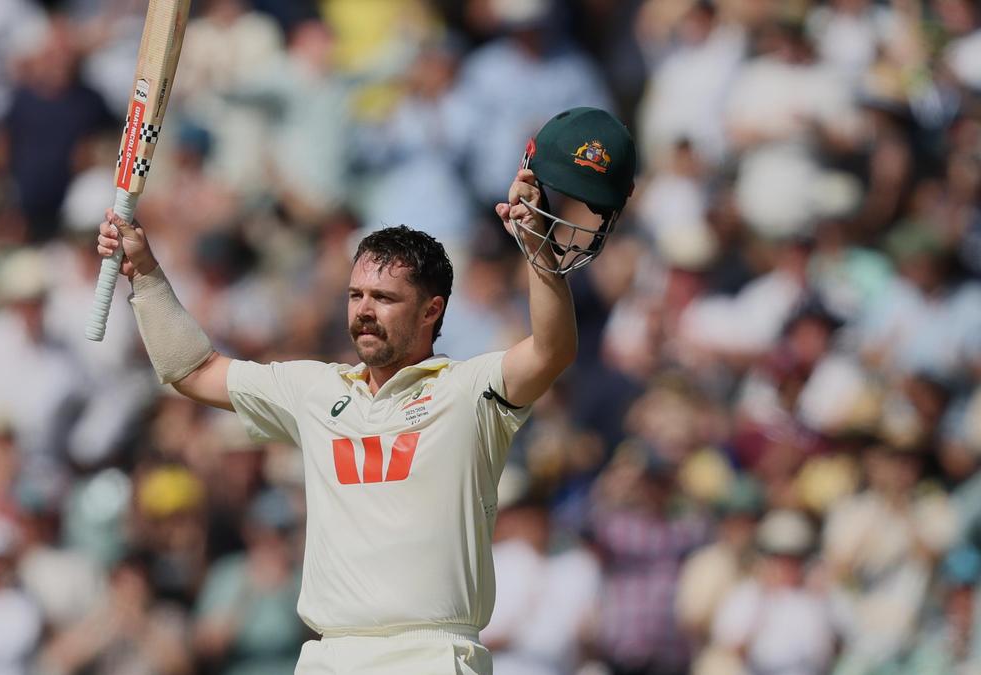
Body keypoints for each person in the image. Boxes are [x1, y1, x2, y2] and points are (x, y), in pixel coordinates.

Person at [95, 107, 636, 674]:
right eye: (356, 296)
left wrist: (536, 246)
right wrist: (147, 274)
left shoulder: (472, 391)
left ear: (432, 311)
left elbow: (553, 351)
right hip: (332, 655)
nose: (364, 313)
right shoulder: (313, 390)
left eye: (384, 299)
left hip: (431, 653)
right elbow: (194, 371)